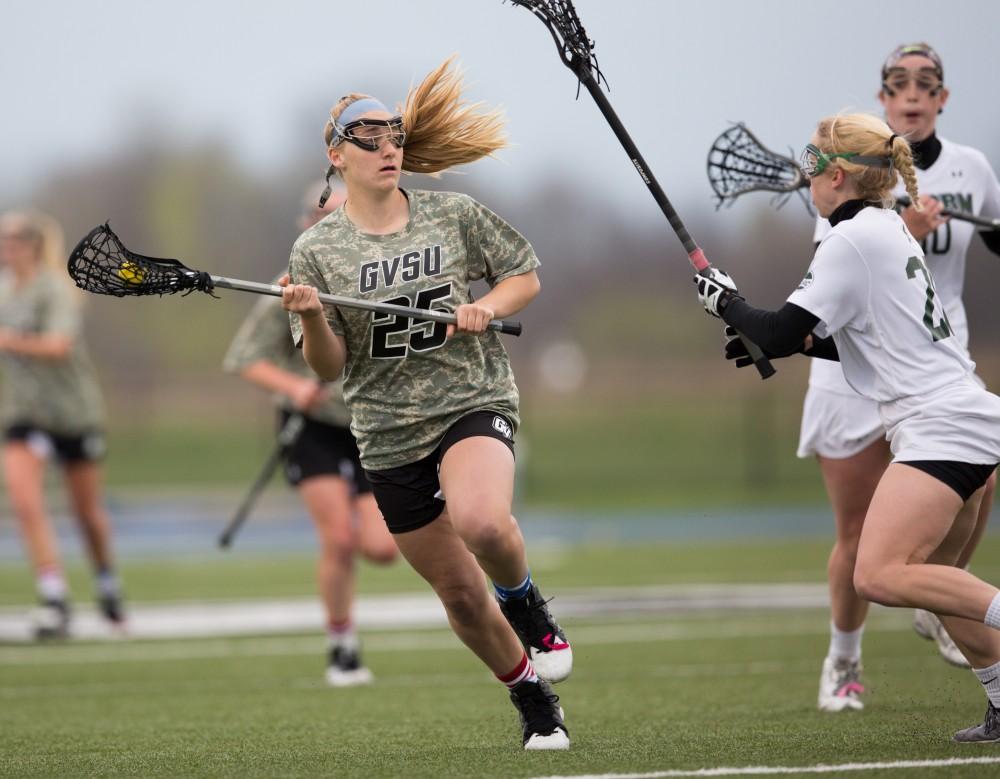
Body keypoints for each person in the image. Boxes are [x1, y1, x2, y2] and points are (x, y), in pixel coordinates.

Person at [281, 57, 572, 750]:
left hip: (470, 398)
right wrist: (315, 316)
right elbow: (328, 366)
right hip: (386, 432)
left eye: (395, 136)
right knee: (461, 596)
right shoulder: (315, 251)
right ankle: (531, 693)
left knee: (484, 523)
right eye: (369, 137)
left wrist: (484, 306)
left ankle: (526, 598)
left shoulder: (452, 212)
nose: (387, 149)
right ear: (337, 154)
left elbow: (524, 276)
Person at [694, 111, 1000, 743]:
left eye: (810, 162)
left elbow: (780, 329)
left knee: (878, 574)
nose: (805, 174)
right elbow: (852, 343)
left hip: (942, 426)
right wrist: (786, 342)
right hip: (960, 416)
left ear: (836, 175)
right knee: (940, 586)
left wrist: (723, 298)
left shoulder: (852, 239)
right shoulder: (884, 226)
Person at [798, 42, 1000, 712]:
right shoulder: (853, 206)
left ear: (943, 98)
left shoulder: (970, 170)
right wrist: (906, 227)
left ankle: (951, 610)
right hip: (864, 370)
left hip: (935, 383)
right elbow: (819, 312)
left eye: (926, 83)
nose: (912, 94)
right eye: (897, 83)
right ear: (881, 100)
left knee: (903, 568)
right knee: (866, 542)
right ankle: (845, 664)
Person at [223, 183, 398, 686]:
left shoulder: (376, 273)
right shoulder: (289, 283)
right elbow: (243, 359)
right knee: (339, 539)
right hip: (313, 428)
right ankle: (341, 643)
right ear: (305, 224)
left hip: (369, 425)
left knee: (383, 548)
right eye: (323, 217)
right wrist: (293, 388)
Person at [0, 209, 125, 639]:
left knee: (86, 513)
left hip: (72, 413)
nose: (4, 246)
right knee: (24, 499)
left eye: (11, 238)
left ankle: (107, 580)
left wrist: (8, 339)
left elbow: (58, 345)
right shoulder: (3, 291)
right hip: (25, 414)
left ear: (31, 243)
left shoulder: (55, 288)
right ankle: (53, 595)